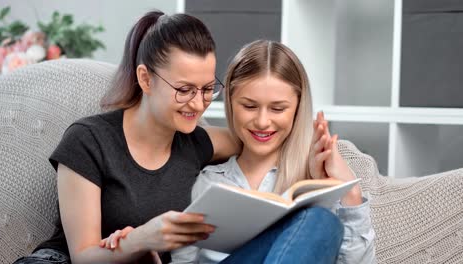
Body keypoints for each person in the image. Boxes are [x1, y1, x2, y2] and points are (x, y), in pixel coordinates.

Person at [103, 40, 376, 263]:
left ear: (297, 109)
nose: (262, 121)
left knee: (320, 221)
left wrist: (350, 194)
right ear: (231, 103)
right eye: (249, 106)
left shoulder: (313, 187)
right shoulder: (206, 182)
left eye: (278, 109)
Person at [14, 11, 240, 264]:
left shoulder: (197, 143)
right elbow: (83, 258)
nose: (198, 104)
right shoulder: (89, 141)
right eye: (184, 90)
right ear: (145, 79)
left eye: (208, 89)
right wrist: (142, 239)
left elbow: (261, 139)